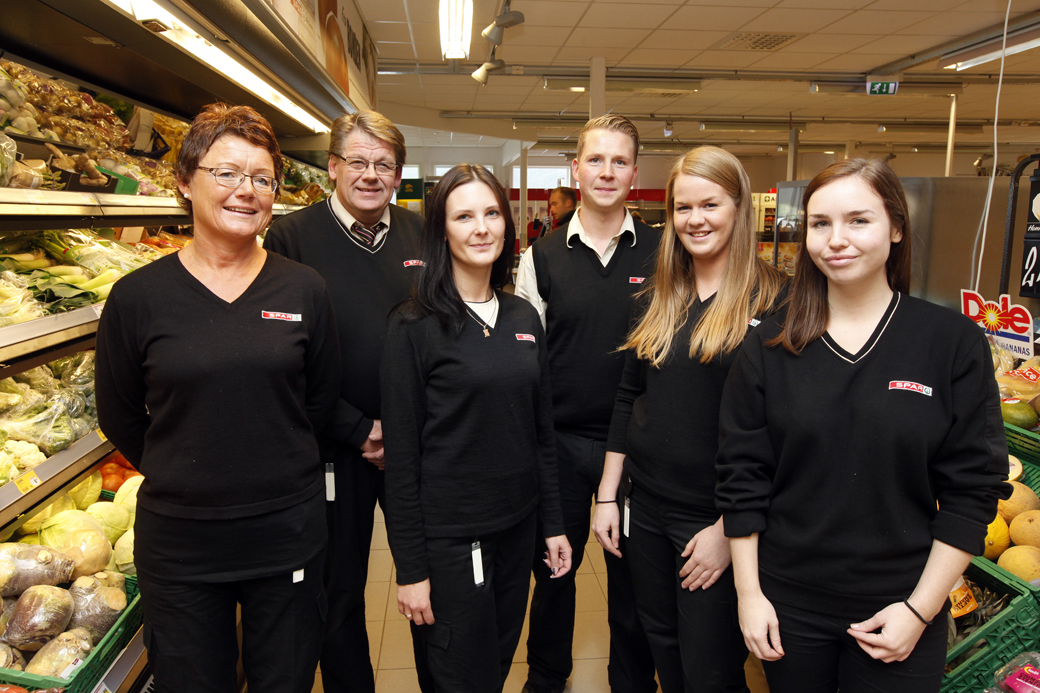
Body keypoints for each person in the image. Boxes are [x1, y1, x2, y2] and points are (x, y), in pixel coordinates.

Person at [716, 158, 1011, 693]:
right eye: (820, 224)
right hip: (788, 606)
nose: (836, 239)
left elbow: (974, 489)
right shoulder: (770, 346)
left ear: (896, 227)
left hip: (900, 602)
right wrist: (749, 595)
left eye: (858, 220)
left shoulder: (950, 343)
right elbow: (742, 478)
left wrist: (920, 612)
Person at [95, 103, 340, 693]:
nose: (245, 191)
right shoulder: (137, 297)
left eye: (261, 179)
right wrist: (188, 474)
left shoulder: (304, 288)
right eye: (226, 173)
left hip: (286, 534)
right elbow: (120, 413)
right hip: (181, 544)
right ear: (185, 181)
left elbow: (321, 404)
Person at [593, 146, 787, 693]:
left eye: (710, 204)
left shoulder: (776, 301)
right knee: (661, 643)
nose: (695, 219)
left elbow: (785, 432)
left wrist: (730, 531)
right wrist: (609, 495)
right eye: (682, 208)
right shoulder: (658, 298)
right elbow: (629, 397)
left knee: (711, 667)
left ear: (739, 208)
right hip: (646, 506)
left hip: (716, 516)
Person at [382, 164, 573, 692]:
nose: (482, 228)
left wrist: (552, 525)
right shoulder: (413, 325)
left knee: (494, 667)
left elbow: (541, 435)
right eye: (464, 216)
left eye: (492, 213)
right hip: (450, 541)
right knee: (458, 677)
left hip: (517, 530)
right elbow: (402, 460)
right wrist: (411, 570)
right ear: (442, 230)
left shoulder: (521, 318)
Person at [263, 111, 427, 693]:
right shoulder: (290, 237)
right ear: (333, 166)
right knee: (337, 593)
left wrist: (406, 430)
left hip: (417, 448)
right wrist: (358, 428)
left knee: (429, 581)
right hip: (334, 445)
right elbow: (286, 358)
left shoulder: (421, 235)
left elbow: (439, 339)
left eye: (384, 164)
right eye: (357, 161)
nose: (370, 175)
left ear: (399, 173)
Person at [515, 114, 658, 693]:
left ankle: (632, 684)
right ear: (575, 168)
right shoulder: (541, 257)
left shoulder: (663, 251)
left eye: (619, 161)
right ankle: (547, 682)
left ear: (635, 173)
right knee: (553, 580)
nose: (606, 171)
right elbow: (527, 361)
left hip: (639, 452)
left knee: (633, 590)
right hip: (561, 447)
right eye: (595, 159)